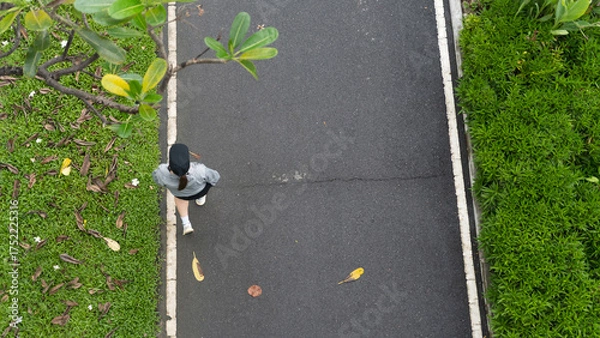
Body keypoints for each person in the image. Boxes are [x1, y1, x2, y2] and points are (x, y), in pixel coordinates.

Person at [152, 143, 220, 235]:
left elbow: (157, 180)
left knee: (180, 200)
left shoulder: (161, 172)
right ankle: (200, 199)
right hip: (200, 191)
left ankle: (186, 225)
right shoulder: (199, 171)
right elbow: (215, 177)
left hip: (180, 194)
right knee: (202, 190)